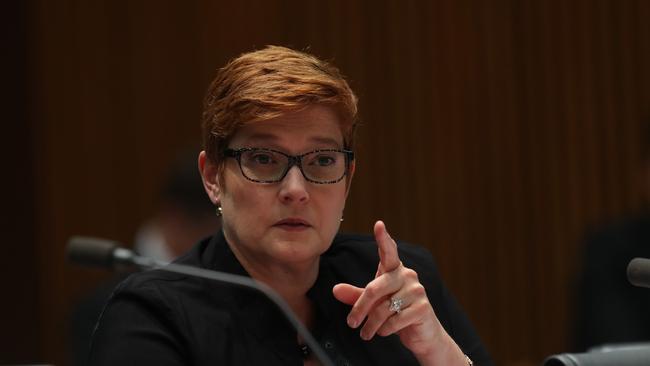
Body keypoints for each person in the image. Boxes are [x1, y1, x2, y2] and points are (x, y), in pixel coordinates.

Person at [88, 45, 492, 365]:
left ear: (347, 180)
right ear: (213, 177)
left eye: (321, 161)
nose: (296, 189)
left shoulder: (399, 281)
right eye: (264, 159)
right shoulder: (152, 315)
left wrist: (437, 349)